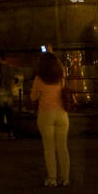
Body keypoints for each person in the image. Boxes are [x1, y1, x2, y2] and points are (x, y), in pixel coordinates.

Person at [29, 52, 71, 186]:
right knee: (62, 148)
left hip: (46, 114)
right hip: (62, 115)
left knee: (49, 148)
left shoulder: (39, 79)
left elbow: (33, 97)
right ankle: (65, 178)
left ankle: (52, 178)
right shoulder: (61, 78)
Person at [0, 51, 16, 139]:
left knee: (0, 112)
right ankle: (11, 132)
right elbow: (12, 81)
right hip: (8, 92)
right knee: (9, 113)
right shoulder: (10, 68)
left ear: (0, 58)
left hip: (0, 91)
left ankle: (0, 133)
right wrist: (12, 92)